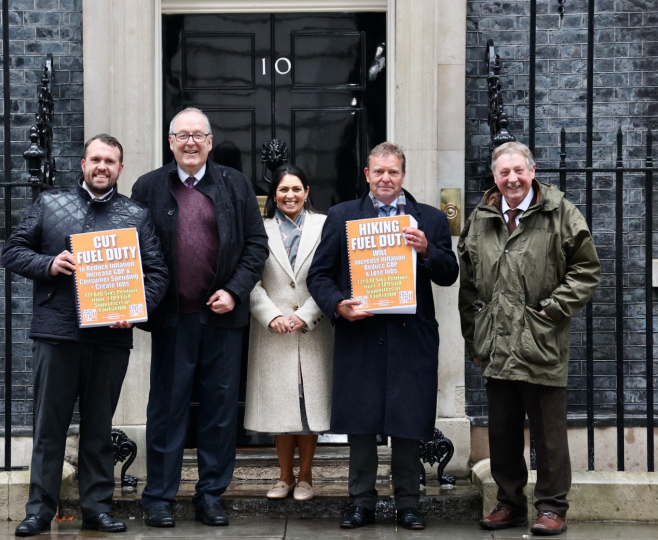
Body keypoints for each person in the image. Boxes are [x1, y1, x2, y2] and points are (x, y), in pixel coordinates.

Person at [1, 134, 169, 537]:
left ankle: (97, 508)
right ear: (83, 163)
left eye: (110, 161)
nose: (102, 167)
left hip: (109, 338)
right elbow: (12, 251)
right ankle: (39, 511)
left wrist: (134, 310)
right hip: (56, 334)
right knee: (49, 428)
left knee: (98, 429)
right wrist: (49, 262)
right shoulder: (49, 204)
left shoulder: (136, 215)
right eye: (96, 159)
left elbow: (158, 275)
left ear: (120, 168)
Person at [307, 142, 459, 531]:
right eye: (379, 172)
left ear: (403, 175)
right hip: (362, 334)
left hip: (411, 338)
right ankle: (361, 501)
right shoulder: (342, 217)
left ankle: (408, 502)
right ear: (367, 175)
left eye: (393, 172)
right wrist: (338, 304)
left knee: (408, 424)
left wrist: (426, 250)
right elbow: (319, 275)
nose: (386, 178)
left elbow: (449, 273)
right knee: (360, 424)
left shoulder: (428, 219)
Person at [131, 108, 269, 527]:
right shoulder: (148, 187)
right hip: (173, 319)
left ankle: (210, 495)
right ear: (170, 141)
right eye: (182, 135)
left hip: (222, 319)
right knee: (167, 410)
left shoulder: (235, 184)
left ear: (210, 142)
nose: (190, 142)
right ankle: (158, 497)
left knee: (219, 411)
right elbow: (131, 248)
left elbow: (256, 246)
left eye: (198, 135)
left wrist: (235, 291)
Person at [458, 141, 600, 536]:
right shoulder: (481, 218)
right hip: (497, 344)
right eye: (504, 173)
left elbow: (586, 270)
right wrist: (475, 340)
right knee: (501, 432)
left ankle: (553, 507)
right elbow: (468, 288)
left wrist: (552, 310)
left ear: (532, 171)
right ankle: (509, 505)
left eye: (519, 170)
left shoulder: (560, 214)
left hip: (541, 340)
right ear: (495, 177)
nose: (512, 179)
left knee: (549, 434)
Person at [243, 164, 334, 502]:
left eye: (297, 189)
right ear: (274, 195)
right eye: (283, 190)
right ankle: (284, 477)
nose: (290, 195)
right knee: (282, 407)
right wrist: (270, 315)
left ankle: (307, 476)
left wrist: (308, 314)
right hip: (272, 332)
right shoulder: (259, 229)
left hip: (313, 329)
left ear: (307, 192)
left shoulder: (325, 226)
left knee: (307, 405)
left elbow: (333, 273)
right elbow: (248, 276)